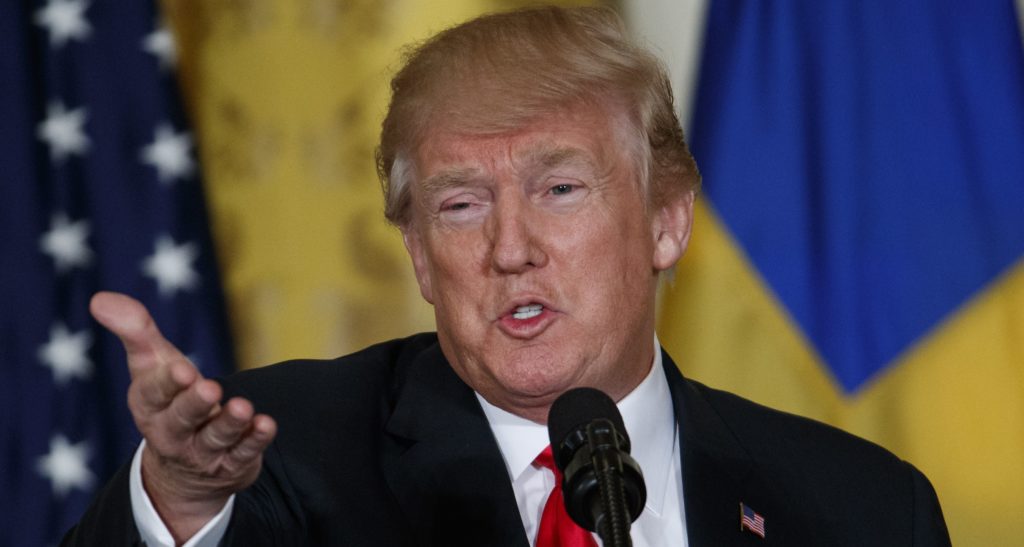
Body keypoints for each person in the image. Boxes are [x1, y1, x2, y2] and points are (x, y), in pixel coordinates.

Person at [64, 6, 951, 546]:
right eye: (460, 205)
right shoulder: (282, 464)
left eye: (559, 189)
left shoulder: (865, 509)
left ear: (666, 220)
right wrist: (180, 503)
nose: (510, 248)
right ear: (419, 254)